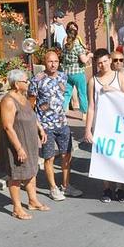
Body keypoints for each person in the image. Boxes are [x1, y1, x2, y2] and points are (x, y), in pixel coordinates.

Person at [28, 50, 81, 202]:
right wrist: (38, 127)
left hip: (62, 123)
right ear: (45, 62)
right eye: (50, 61)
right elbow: (30, 105)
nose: (53, 64)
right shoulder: (37, 80)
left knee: (66, 155)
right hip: (46, 126)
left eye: (56, 61)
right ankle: (53, 188)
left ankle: (66, 185)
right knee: (49, 157)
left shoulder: (63, 77)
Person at [83, 48, 124, 203]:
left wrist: (113, 89)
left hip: (119, 125)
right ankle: (106, 188)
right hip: (101, 125)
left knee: (120, 156)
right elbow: (91, 106)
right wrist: (88, 130)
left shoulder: (120, 76)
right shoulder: (93, 81)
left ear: (110, 60)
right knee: (103, 157)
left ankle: (120, 188)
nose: (103, 65)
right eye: (99, 63)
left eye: (105, 61)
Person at [0, 69, 48, 220]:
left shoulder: (23, 97)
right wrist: (18, 148)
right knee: (16, 174)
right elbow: (7, 126)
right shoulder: (8, 101)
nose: (28, 83)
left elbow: (32, 115)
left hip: (30, 141)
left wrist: (40, 128)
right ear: (16, 83)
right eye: (25, 81)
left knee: (31, 170)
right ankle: (17, 208)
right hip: (17, 143)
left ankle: (32, 201)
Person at [62, 22, 92, 120]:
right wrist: (89, 55)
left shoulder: (65, 46)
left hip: (67, 72)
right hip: (78, 72)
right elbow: (83, 60)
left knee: (67, 93)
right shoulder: (77, 46)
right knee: (82, 93)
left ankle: (62, 111)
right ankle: (84, 113)